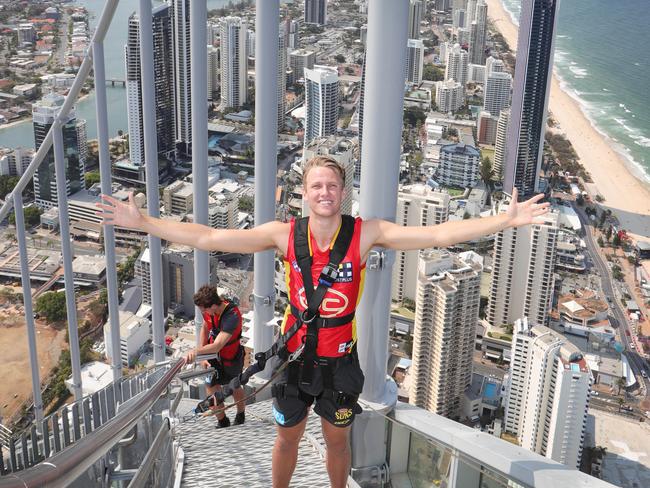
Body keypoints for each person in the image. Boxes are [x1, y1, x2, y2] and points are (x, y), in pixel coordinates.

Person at [97, 155, 549, 488]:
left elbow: (436, 234)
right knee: (286, 439)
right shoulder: (283, 234)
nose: (325, 193)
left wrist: (503, 220)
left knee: (337, 442)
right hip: (296, 362)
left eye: (332, 186)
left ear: (342, 192)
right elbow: (211, 235)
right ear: (305, 192)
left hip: (340, 365)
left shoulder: (365, 233)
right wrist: (147, 224)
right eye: (317, 186)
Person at [185, 285, 246, 428]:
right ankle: (222, 420)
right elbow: (206, 327)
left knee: (234, 386)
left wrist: (197, 351)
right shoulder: (208, 310)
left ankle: (241, 413)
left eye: (204, 309)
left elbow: (219, 344)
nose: (202, 312)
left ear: (213, 305)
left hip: (230, 357)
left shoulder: (232, 316)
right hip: (213, 355)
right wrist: (204, 355)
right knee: (210, 386)